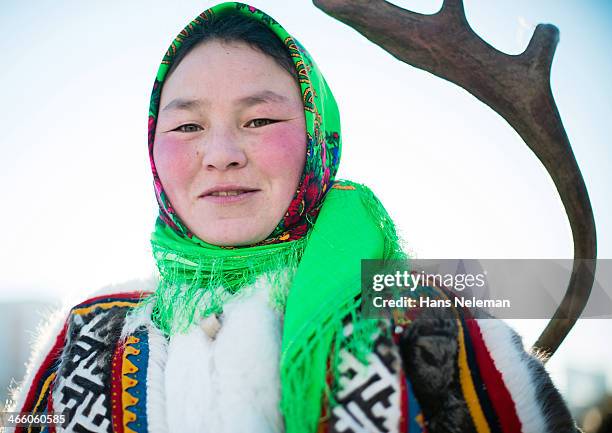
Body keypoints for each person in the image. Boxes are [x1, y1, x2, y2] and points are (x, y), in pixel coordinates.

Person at [5, 2, 579, 433]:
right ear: (153, 149)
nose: (222, 153)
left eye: (259, 121)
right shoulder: (85, 335)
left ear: (316, 138)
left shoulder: (434, 313)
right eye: (186, 126)